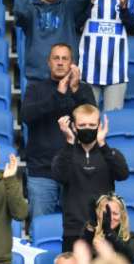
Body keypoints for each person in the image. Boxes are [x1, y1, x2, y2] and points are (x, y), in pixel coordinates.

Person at [21, 44, 95, 219]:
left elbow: (92, 120)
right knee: (40, 227)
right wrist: (58, 95)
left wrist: (75, 90)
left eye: (64, 58)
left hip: (76, 171)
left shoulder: (83, 90)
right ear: (49, 63)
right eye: (56, 58)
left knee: (78, 228)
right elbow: (26, 116)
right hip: (41, 172)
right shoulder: (35, 88)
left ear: (72, 63)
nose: (60, 63)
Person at [52, 104, 129, 251]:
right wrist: (69, 142)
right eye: (82, 125)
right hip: (73, 230)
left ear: (99, 125)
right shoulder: (65, 154)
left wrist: (102, 144)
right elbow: (59, 176)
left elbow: (122, 174)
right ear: (74, 126)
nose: (87, 128)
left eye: (92, 125)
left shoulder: (110, 152)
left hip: (104, 229)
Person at [15, 0, 91, 82]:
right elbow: (19, 10)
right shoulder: (31, 9)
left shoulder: (68, 8)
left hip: (66, 77)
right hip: (37, 78)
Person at [79, 0, 134, 110]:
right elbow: (76, 24)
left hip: (116, 72)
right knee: (87, 119)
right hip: (88, 69)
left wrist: (125, 9)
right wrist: (91, 0)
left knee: (112, 121)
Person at [81, 194, 134, 263]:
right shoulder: (89, 231)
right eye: (106, 213)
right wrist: (91, 226)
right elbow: (82, 253)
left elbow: (130, 258)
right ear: (98, 214)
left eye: (115, 213)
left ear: (122, 216)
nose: (110, 218)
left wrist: (109, 233)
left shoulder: (131, 237)